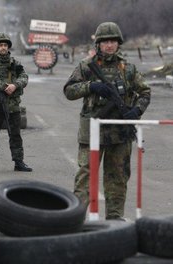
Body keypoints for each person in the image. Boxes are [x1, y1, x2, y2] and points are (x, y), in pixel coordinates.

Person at [63, 22, 151, 220]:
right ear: (98, 44)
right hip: (92, 131)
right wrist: (91, 86)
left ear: (118, 43)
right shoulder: (87, 66)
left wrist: (136, 111)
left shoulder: (127, 68)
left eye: (113, 41)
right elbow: (69, 91)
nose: (109, 45)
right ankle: (74, 219)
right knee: (85, 176)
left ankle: (114, 219)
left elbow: (145, 92)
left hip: (119, 132)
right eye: (105, 42)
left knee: (118, 177)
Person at [0, 32, 32, 172]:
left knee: (15, 135)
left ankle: (19, 162)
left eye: (5, 45)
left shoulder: (14, 63)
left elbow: (24, 76)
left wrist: (15, 85)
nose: (3, 48)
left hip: (13, 105)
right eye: (0, 45)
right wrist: (5, 87)